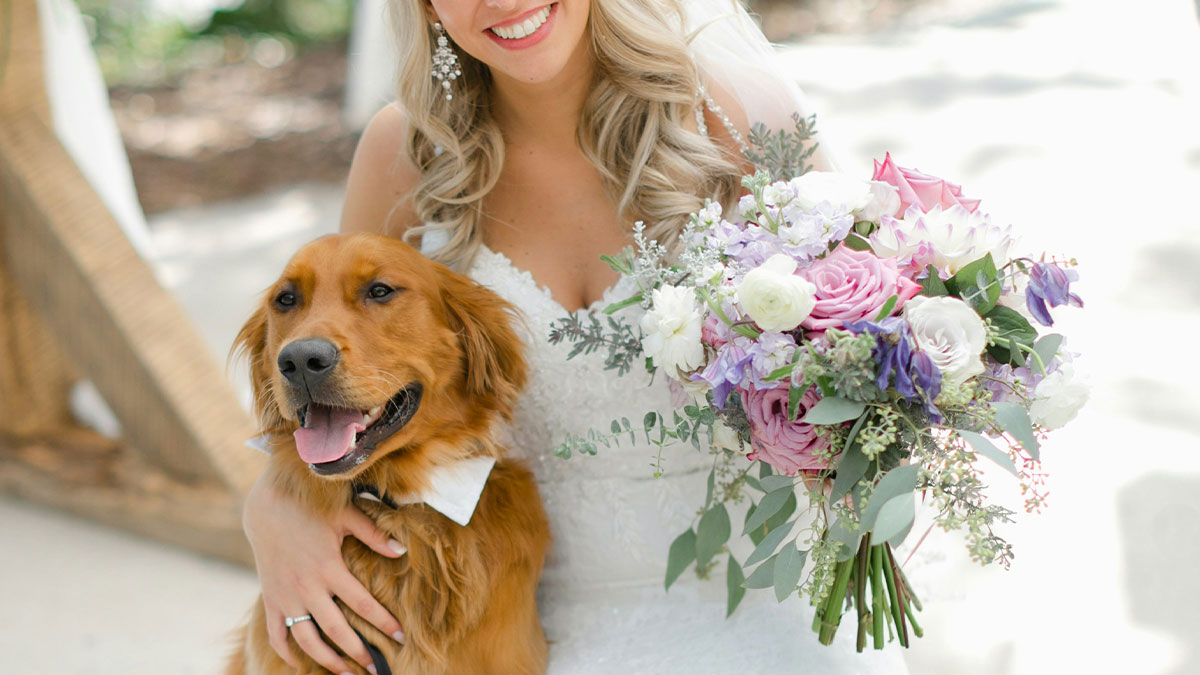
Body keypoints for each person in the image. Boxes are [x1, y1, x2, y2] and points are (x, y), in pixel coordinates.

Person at [241, 0, 907, 672]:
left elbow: (875, 356)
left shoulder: (742, 115)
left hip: (778, 614)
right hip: (532, 630)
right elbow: (344, 372)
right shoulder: (403, 154)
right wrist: (273, 507)